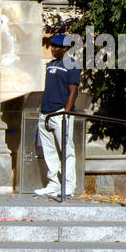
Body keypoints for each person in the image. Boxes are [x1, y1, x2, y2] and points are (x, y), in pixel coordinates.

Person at [35, 33, 81, 198]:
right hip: (45, 113)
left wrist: (65, 113)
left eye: (55, 47)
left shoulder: (72, 65)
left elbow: (73, 91)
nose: (52, 49)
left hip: (61, 113)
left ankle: (69, 185)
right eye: (51, 46)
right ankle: (54, 184)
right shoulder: (50, 65)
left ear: (65, 49)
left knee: (66, 150)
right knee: (49, 151)